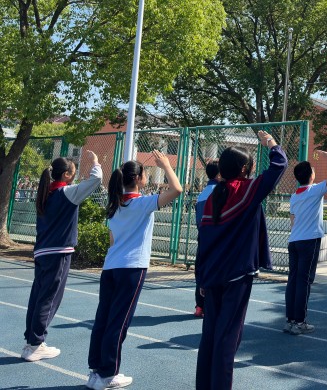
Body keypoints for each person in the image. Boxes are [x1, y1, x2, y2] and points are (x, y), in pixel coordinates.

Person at [195, 131, 288, 390]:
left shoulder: (212, 198)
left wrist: (201, 278)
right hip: (236, 276)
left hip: (212, 275)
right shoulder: (246, 191)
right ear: (244, 169)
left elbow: (204, 240)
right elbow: (280, 164)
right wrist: (271, 143)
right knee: (227, 339)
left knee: (210, 336)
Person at [87, 150, 182, 390]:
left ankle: (96, 370)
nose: (147, 176)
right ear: (138, 178)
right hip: (131, 268)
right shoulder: (141, 203)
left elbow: (112, 240)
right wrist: (166, 165)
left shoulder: (114, 205)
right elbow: (177, 190)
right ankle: (108, 374)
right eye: (145, 173)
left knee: (103, 319)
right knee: (119, 322)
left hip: (111, 267)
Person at [21, 152, 102, 362]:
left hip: (42, 251)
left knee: (38, 297)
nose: (75, 176)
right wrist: (95, 163)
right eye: (73, 172)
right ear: (66, 175)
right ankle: (35, 344)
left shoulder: (45, 193)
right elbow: (96, 180)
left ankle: (32, 341)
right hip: (57, 253)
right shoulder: (67, 193)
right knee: (49, 298)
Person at [284, 150, 327, 335]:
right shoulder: (315, 191)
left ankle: (290, 320)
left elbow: (293, 220)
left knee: (293, 280)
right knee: (304, 281)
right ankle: (300, 322)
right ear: (311, 176)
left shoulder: (294, 196)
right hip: (309, 241)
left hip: (294, 241)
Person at [193, 160, 221, 318]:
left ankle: (199, 306)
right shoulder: (220, 191)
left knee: (201, 270)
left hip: (202, 236)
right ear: (219, 174)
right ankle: (211, 305)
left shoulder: (202, 193)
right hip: (216, 237)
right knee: (215, 270)